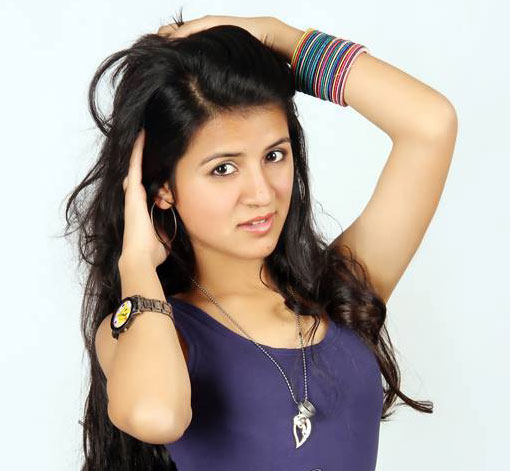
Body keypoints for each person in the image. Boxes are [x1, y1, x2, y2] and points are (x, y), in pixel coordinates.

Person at [63, 9, 457, 471]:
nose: (262, 193)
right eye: (224, 168)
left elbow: (430, 125)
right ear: (163, 188)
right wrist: (136, 263)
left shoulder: (340, 292)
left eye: (274, 155)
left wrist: (283, 38)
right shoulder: (147, 329)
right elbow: (157, 415)